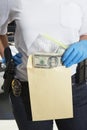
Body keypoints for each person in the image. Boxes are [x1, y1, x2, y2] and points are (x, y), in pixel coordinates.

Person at [0, 0, 87, 130]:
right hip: (27, 89)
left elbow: (84, 32)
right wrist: (7, 56)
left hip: (73, 87)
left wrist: (85, 44)